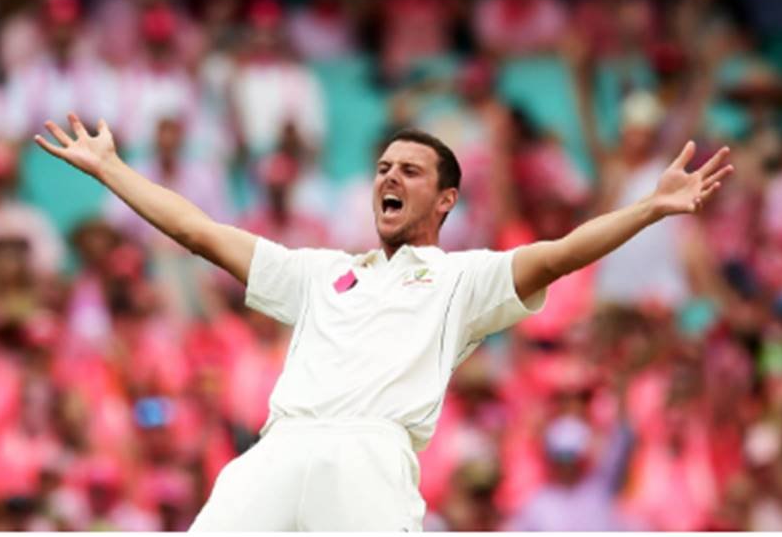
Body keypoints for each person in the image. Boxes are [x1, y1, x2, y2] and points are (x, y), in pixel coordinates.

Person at [35, 112, 732, 531]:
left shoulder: (464, 279)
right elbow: (200, 233)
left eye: (410, 171)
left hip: (370, 455)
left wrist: (648, 207)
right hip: (277, 449)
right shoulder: (317, 272)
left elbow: (558, 255)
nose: (388, 178)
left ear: (447, 199)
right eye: (381, 167)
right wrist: (110, 169)